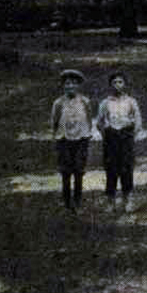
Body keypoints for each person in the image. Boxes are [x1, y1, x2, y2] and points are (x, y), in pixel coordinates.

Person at [94, 71, 143, 207]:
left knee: (126, 168)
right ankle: (111, 201)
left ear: (125, 84)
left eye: (120, 82)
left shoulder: (131, 102)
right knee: (111, 168)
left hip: (126, 137)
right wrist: (107, 135)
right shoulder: (105, 103)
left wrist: (132, 135)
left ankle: (127, 199)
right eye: (114, 82)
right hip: (111, 138)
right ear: (110, 85)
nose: (117, 85)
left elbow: (138, 121)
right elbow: (99, 122)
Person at [50, 68, 93, 211]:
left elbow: (88, 119)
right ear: (63, 86)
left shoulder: (85, 101)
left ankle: (78, 201)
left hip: (81, 139)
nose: (70, 87)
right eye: (67, 84)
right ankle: (67, 203)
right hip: (64, 140)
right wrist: (58, 138)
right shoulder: (58, 103)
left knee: (79, 171)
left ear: (78, 86)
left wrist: (85, 135)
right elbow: (54, 122)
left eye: (74, 84)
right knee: (66, 172)